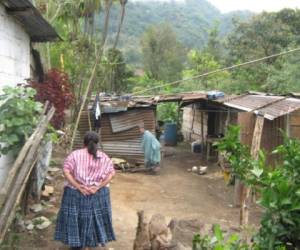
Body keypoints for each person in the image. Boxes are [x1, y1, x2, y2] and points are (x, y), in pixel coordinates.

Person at [54, 131, 116, 250]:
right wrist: (98, 187)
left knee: (76, 219)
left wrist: (78, 186)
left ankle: (76, 245)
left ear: (84, 142)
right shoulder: (104, 157)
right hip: (98, 194)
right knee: (94, 219)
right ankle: (90, 244)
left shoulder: (74, 155)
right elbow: (111, 174)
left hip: (75, 194)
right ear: (97, 143)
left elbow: (66, 171)